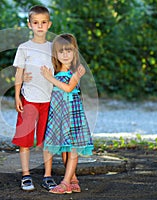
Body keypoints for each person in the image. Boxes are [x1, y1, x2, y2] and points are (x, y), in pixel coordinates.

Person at [40, 33, 94, 194]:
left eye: (68, 51)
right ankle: (73, 180)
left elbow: (69, 88)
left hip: (72, 116)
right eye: (61, 51)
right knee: (65, 148)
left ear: (75, 52)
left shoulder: (76, 72)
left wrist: (49, 78)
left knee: (73, 149)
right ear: (55, 55)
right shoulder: (56, 73)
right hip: (59, 116)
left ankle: (65, 183)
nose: (65, 54)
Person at [11, 5, 57, 191]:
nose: (40, 26)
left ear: (49, 24)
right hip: (29, 99)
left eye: (43, 23)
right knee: (25, 139)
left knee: (47, 140)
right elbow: (19, 73)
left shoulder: (54, 47)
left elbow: (61, 71)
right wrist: (17, 95)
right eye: (36, 23)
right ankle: (26, 175)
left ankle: (47, 175)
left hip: (49, 100)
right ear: (29, 25)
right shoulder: (24, 48)